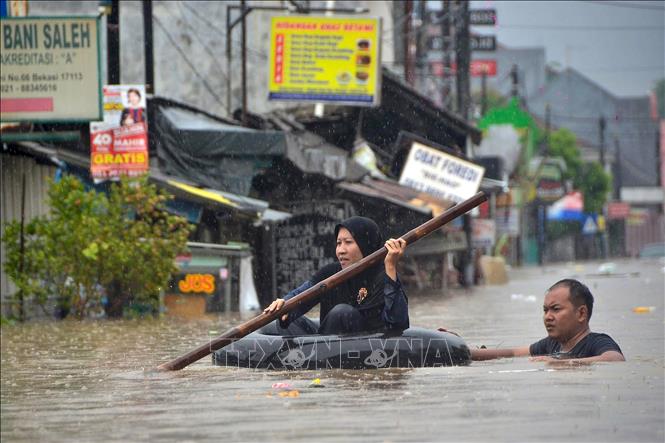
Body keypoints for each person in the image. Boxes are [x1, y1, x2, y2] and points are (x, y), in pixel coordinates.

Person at [264, 216, 409, 335]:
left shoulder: (382, 274)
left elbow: (397, 323)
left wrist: (390, 266)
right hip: (326, 340)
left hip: (365, 343)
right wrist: (285, 304)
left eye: (348, 242)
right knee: (289, 318)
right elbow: (302, 293)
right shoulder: (330, 272)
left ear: (366, 243)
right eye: (339, 243)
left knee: (342, 313)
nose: (341, 250)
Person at [469, 279, 624, 363]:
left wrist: (563, 363)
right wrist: (466, 352)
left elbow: (615, 359)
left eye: (556, 309)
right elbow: (513, 352)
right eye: (545, 310)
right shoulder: (552, 344)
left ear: (581, 313)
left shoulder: (597, 342)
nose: (548, 317)